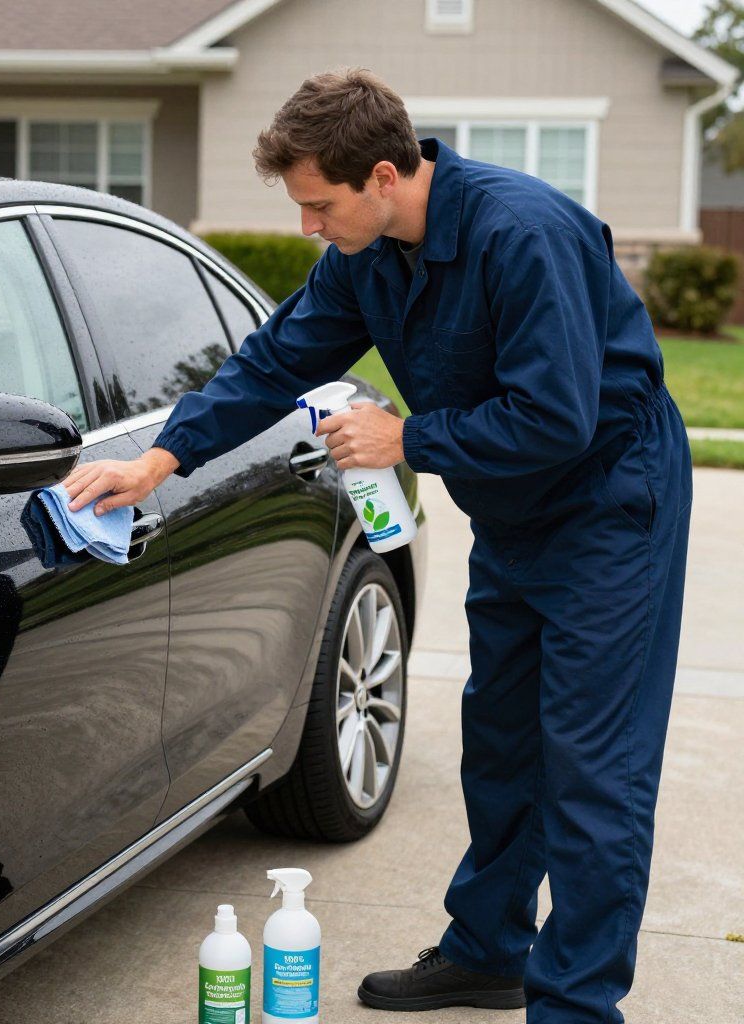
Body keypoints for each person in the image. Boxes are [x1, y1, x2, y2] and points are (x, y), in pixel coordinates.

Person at [60, 68, 692, 1023]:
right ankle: (489, 953)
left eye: (320, 205)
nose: (308, 226)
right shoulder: (368, 254)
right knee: (502, 742)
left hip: (612, 502)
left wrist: (408, 439)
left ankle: (575, 1006)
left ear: (385, 176)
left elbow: (556, 416)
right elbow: (276, 359)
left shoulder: (521, 234)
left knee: (592, 768)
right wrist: (160, 460)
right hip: (514, 511)